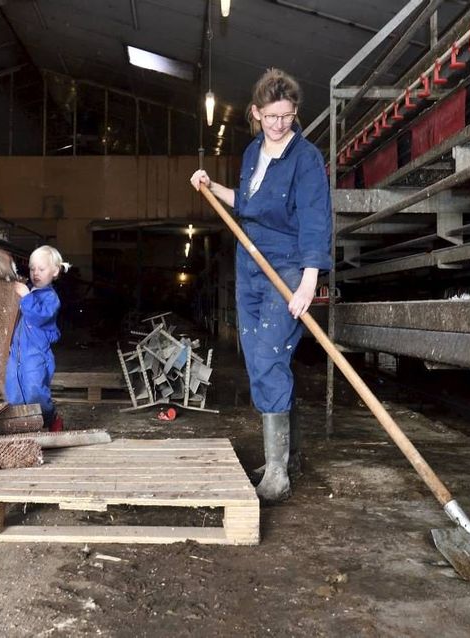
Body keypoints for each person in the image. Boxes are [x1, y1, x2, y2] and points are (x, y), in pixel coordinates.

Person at [190, 67, 332, 502]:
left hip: (287, 268)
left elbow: (314, 220)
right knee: (257, 359)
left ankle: (278, 474)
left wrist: (309, 281)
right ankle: (285, 457)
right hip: (250, 265)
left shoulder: (305, 158)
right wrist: (213, 186)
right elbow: (248, 205)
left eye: (287, 116)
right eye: (271, 116)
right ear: (255, 113)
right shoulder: (253, 153)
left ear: (295, 113)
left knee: (270, 356)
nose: (279, 124)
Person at [5, 245, 70, 432]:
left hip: (36, 355)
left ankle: (51, 417)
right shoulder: (29, 292)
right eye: (33, 268)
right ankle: (24, 426)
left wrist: (25, 296)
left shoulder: (51, 298)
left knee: (35, 390)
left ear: (55, 271)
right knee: (13, 391)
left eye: (41, 269)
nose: (36, 273)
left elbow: (39, 316)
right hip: (16, 354)